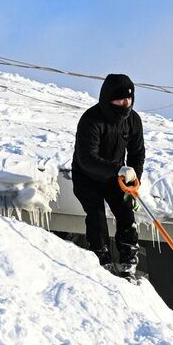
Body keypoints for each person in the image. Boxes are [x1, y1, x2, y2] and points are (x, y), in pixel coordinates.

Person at [71, 73, 145, 278]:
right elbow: (86, 158)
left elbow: (137, 154)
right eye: (121, 98)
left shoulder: (133, 120)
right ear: (108, 98)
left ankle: (129, 260)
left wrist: (134, 180)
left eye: (129, 98)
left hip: (115, 178)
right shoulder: (91, 120)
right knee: (96, 216)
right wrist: (117, 170)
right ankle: (101, 260)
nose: (126, 103)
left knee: (126, 212)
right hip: (87, 177)